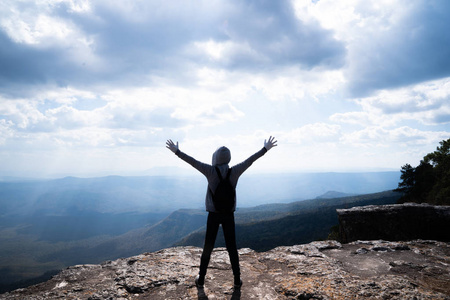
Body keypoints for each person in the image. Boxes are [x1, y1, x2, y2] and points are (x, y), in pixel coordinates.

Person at [166, 136, 277, 289]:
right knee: (232, 246)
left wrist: (176, 151)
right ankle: (237, 280)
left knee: (208, 246)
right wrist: (265, 149)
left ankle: (201, 279)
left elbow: (192, 162)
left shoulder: (210, 171)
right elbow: (250, 160)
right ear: (228, 158)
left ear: (215, 158)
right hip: (228, 215)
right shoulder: (235, 171)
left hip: (213, 214)